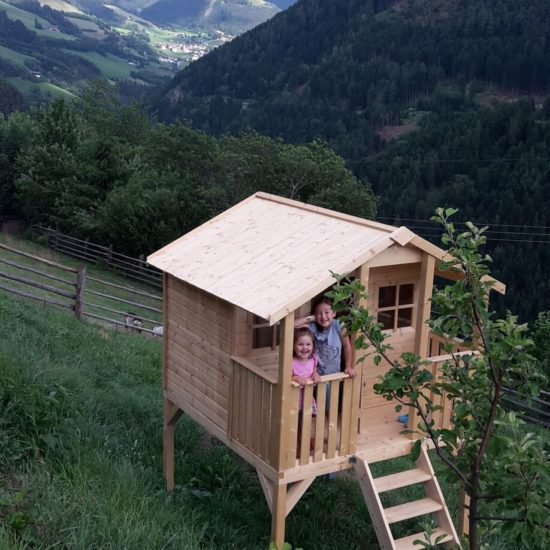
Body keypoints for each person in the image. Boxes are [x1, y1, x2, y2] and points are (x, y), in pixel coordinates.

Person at [294, 297, 355, 379]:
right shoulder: (312, 327)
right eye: (319, 313)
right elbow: (291, 325)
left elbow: (346, 346)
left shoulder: (339, 325)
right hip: (315, 376)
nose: (323, 316)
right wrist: (311, 318)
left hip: (335, 376)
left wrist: (348, 366)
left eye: (326, 312)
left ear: (334, 313)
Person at [291, 327, 320, 455]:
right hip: (294, 402)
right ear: (293, 346)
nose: (304, 348)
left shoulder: (313, 360)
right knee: (294, 426)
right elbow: (286, 377)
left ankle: (305, 444)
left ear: (312, 346)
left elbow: (313, 371)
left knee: (306, 424)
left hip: (307, 400)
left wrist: (316, 374)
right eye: (300, 344)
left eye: (308, 344)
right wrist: (295, 378)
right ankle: (294, 447)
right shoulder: (291, 362)